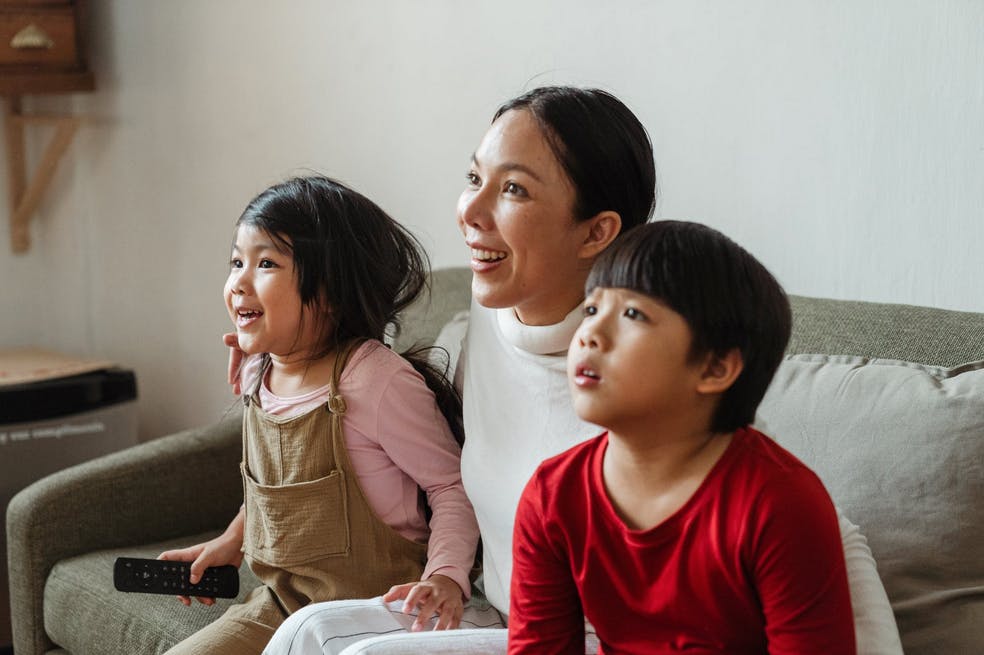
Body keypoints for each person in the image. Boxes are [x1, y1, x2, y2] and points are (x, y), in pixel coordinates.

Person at [263, 86, 902, 654]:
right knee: (310, 632)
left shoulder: (659, 385)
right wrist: (272, 365)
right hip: (515, 618)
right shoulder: (491, 321)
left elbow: (810, 530)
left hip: (605, 638)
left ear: (596, 232)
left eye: (512, 188)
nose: (470, 210)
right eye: (475, 177)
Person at [158, 176, 480, 654]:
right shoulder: (257, 374)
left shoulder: (375, 381)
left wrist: (446, 577)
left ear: (329, 292)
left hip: (378, 611)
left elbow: (452, 485)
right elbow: (280, 490)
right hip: (281, 604)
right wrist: (229, 541)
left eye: (265, 263)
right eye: (236, 262)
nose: (239, 282)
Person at [509, 220, 855, 654]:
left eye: (633, 314)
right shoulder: (552, 496)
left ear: (714, 368)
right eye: (592, 310)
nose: (590, 335)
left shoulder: (780, 503)